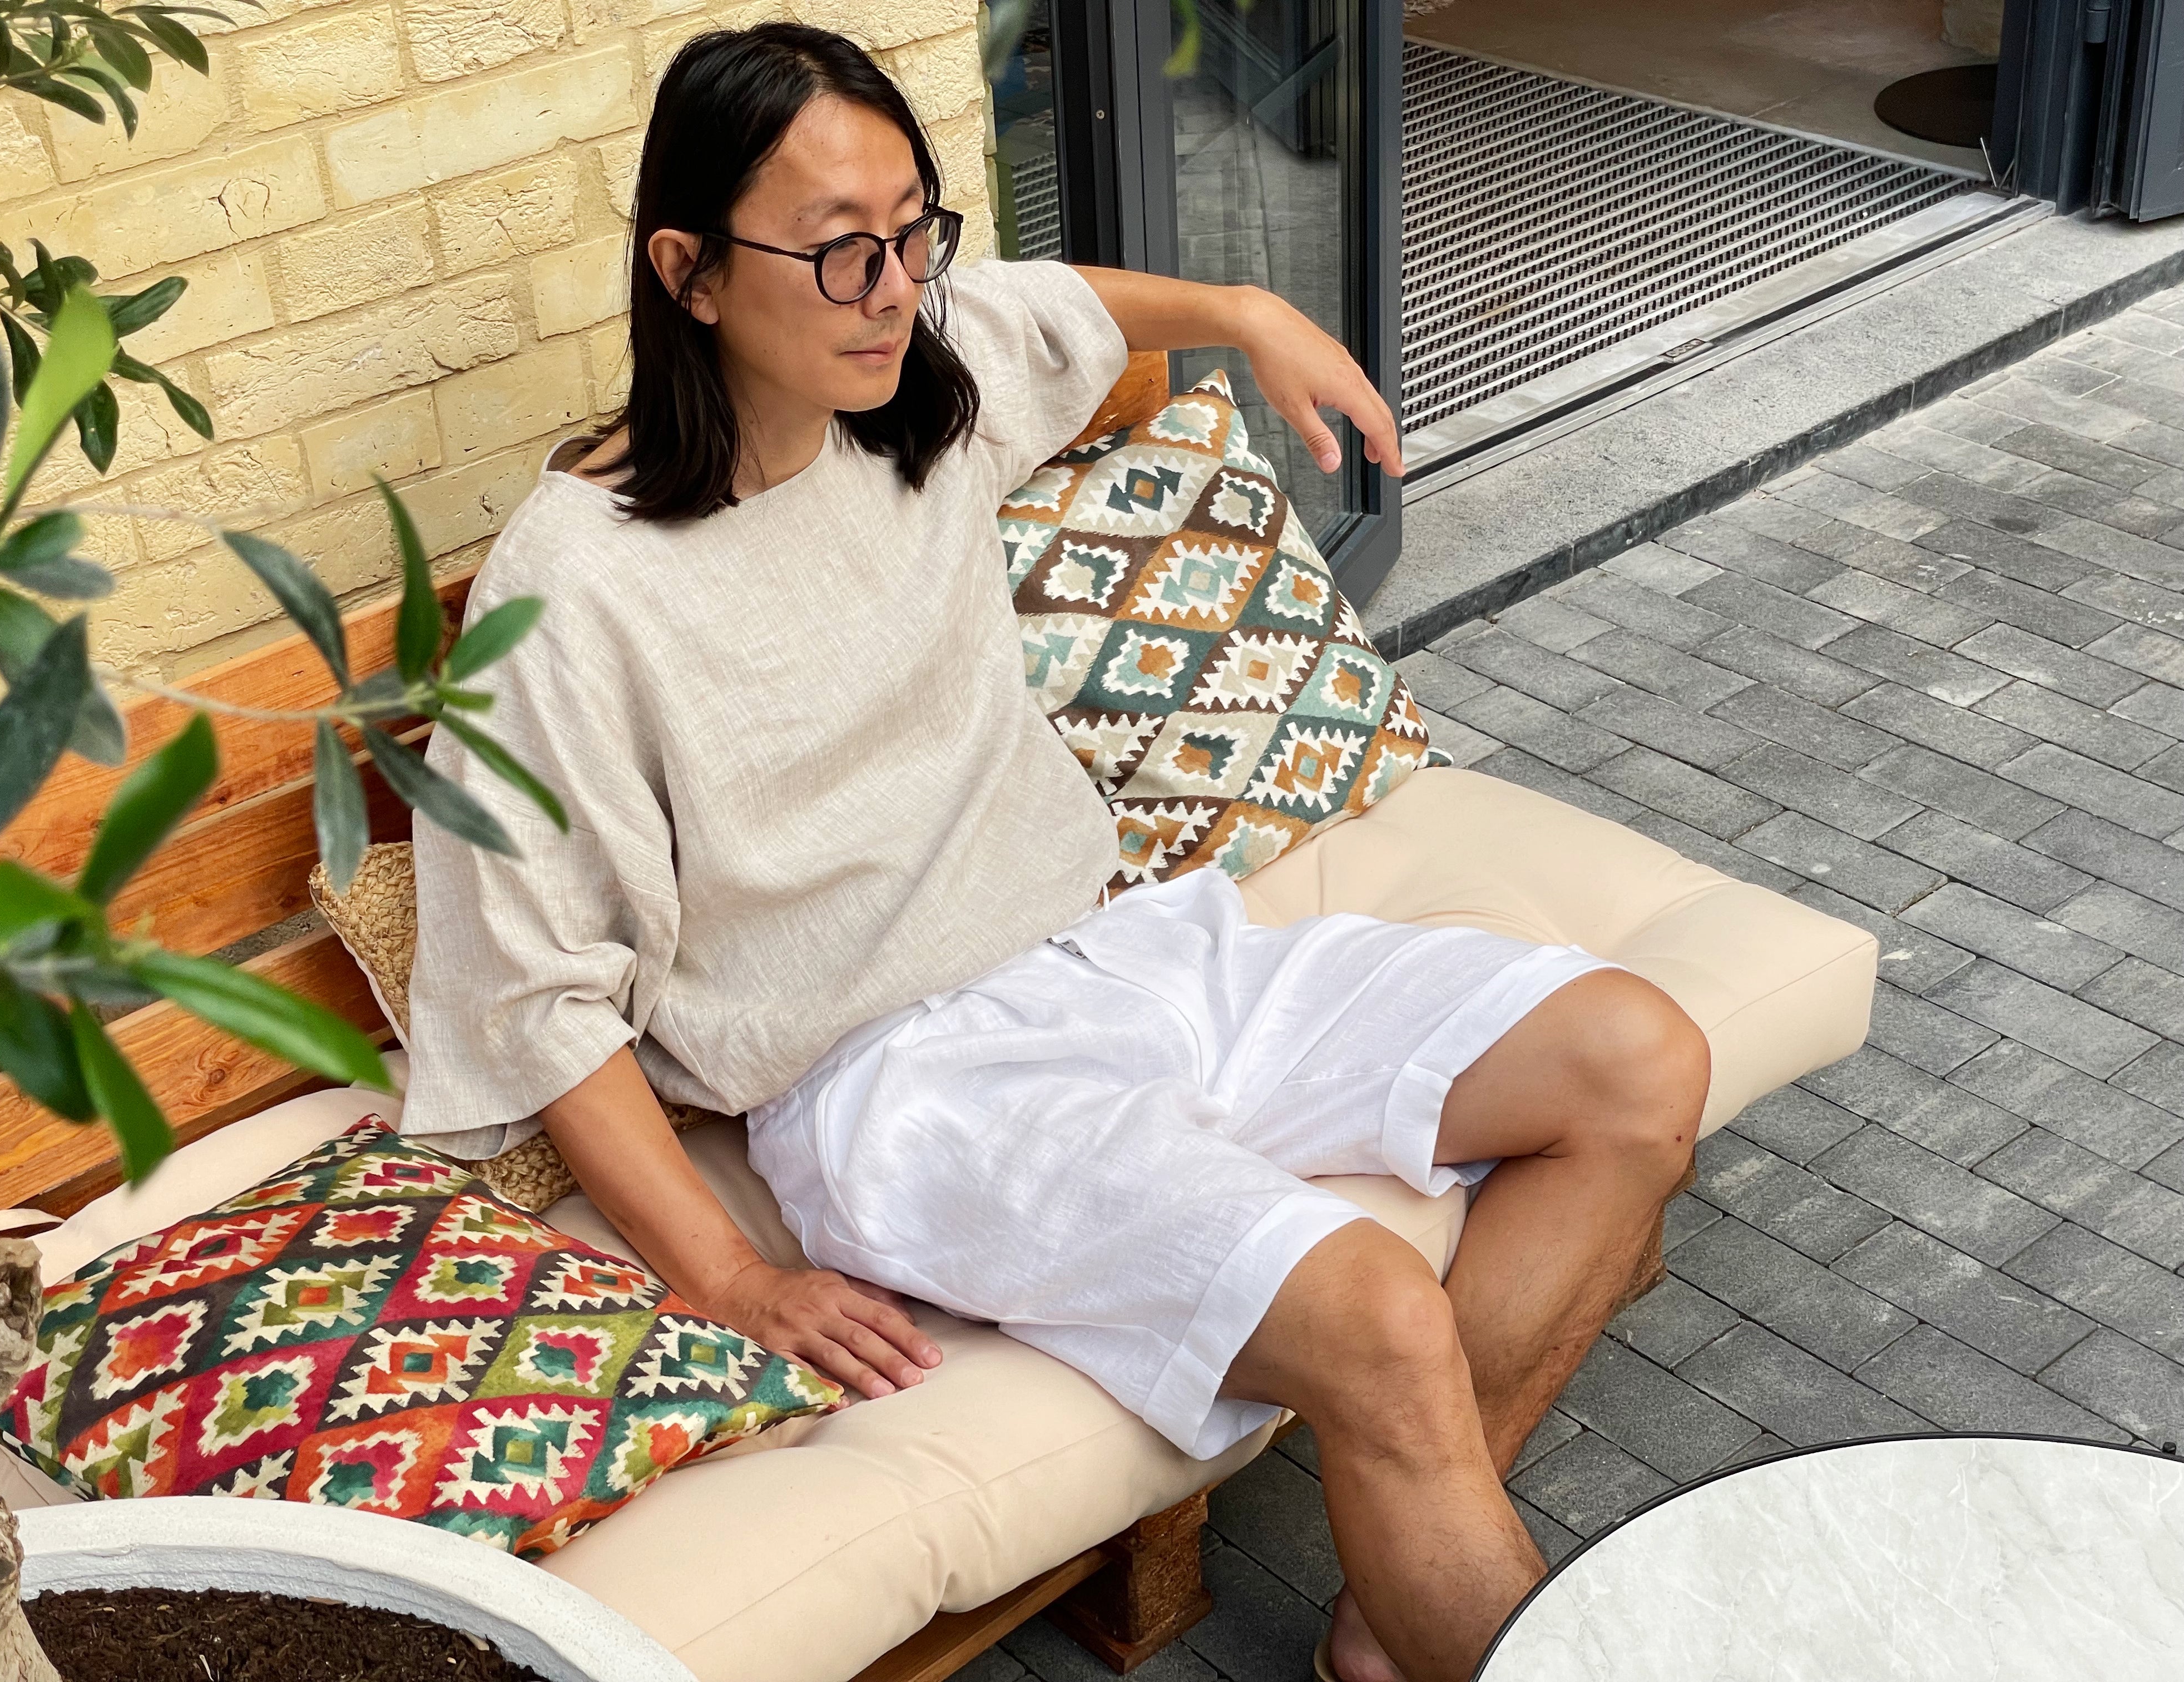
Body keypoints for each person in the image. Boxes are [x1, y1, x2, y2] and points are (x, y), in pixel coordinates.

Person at [400, 22, 1706, 1682]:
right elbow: (539, 990)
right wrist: (727, 1271)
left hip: (1131, 952)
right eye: (839, 249)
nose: (893, 286)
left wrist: (1247, 310)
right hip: (904, 1090)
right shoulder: (575, 594)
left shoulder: (911, 378)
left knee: (1636, 1060)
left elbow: (1062, 305)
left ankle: (1398, 1613)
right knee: (1376, 1313)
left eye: (915, 228)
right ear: (690, 270)